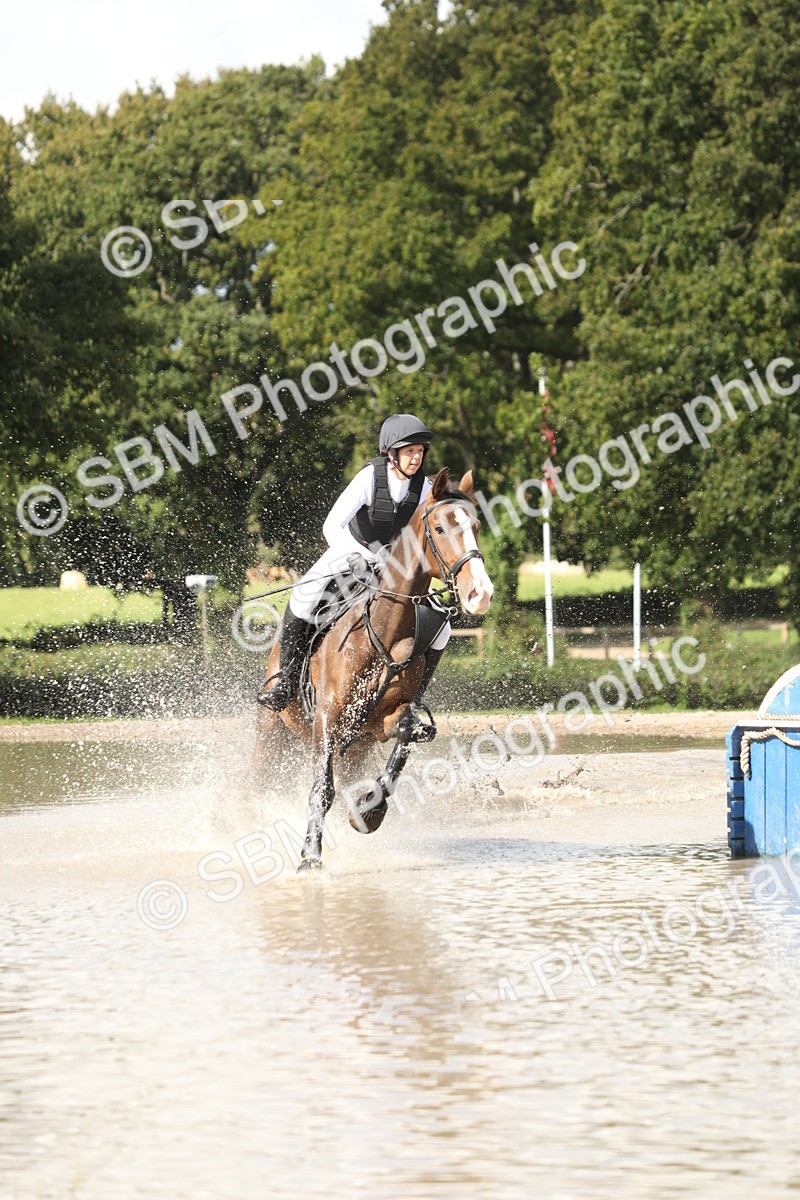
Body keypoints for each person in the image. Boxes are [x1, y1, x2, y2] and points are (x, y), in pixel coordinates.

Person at [261, 413, 451, 711]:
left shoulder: (425, 489)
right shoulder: (370, 477)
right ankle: (285, 681)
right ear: (392, 453)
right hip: (351, 548)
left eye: (420, 452)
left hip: (392, 565)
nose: (416, 458)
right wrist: (355, 559)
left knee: (444, 628)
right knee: (301, 598)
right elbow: (331, 526)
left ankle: (415, 699)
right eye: (409, 451)